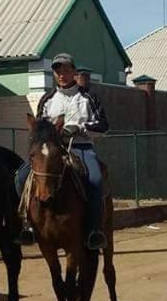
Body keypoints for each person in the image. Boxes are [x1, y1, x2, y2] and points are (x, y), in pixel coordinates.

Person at [17, 53, 109, 251]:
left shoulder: (88, 96)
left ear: (74, 72)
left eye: (66, 70)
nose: (62, 74)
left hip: (81, 146)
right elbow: (39, 128)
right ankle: (28, 225)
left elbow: (104, 125)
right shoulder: (47, 99)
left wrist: (81, 127)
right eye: (58, 70)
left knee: (95, 180)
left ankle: (93, 230)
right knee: (21, 176)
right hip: (52, 149)